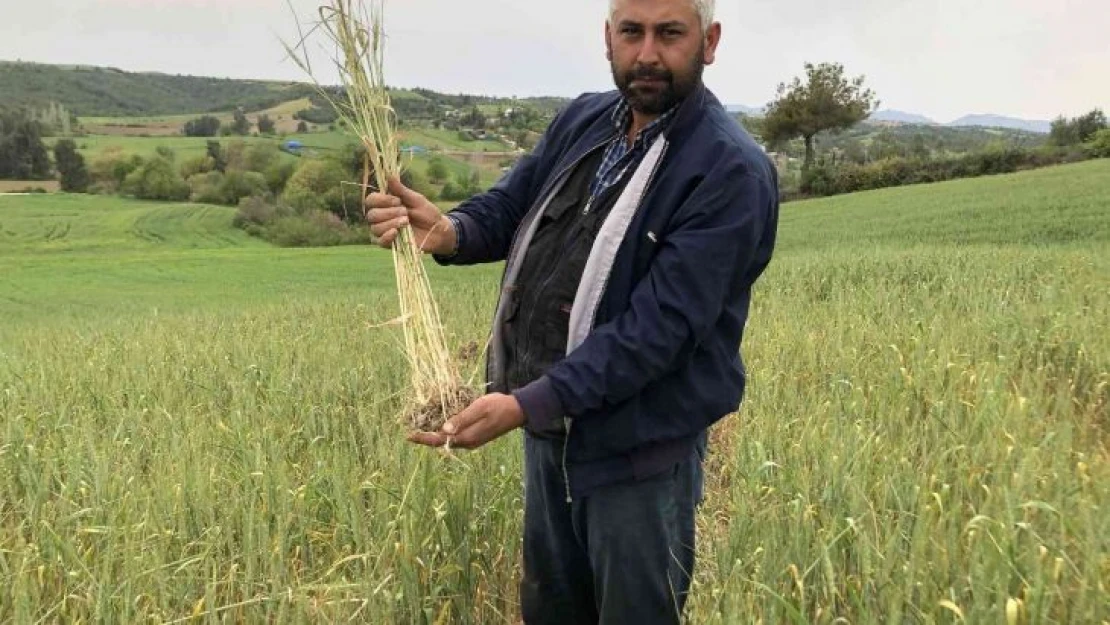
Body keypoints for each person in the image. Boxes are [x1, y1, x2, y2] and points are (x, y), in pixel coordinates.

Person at [365, 0, 778, 622]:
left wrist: (525, 402)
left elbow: (657, 332)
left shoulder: (728, 171)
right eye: (631, 32)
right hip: (550, 435)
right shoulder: (586, 121)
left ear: (709, 41)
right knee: (554, 610)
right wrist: (449, 230)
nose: (646, 54)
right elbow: (512, 207)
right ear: (607, 37)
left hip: (639, 456)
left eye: (670, 34)